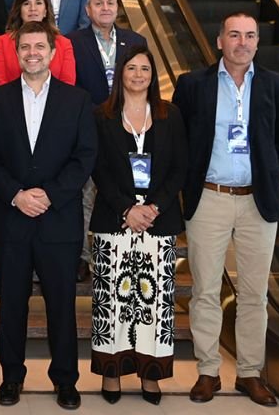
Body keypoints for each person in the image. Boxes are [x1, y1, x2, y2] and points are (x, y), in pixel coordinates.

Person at [172, 11, 279, 407]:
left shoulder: (276, 85)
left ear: (257, 42)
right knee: (206, 290)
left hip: (257, 201)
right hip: (209, 197)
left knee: (255, 294)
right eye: (235, 35)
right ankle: (208, 371)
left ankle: (249, 373)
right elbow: (178, 137)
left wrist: (265, 171)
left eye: (250, 36)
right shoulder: (193, 85)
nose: (242, 43)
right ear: (219, 41)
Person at [0, 20, 97, 410]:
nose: (32, 53)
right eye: (25, 47)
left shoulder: (77, 100)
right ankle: (11, 378)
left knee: (61, 307)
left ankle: (65, 380)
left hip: (58, 221)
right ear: (17, 53)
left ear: (52, 52)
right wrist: (16, 195)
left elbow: (84, 158)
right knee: (11, 306)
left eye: (39, 47)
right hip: (11, 219)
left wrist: (49, 195)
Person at [90, 45, 187, 406]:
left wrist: (154, 207)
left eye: (145, 69)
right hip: (115, 220)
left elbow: (180, 166)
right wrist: (127, 209)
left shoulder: (170, 114)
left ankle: (151, 373)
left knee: (154, 301)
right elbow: (98, 168)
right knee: (111, 302)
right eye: (131, 68)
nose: (138, 75)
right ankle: (111, 372)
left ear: (153, 75)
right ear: (120, 73)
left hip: (158, 221)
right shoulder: (102, 115)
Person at [69, 0, 148, 282]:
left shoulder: (136, 40)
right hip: (87, 129)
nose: (105, 8)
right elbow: (71, 87)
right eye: (98, 3)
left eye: (110, 3)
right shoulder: (72, 42)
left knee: (125, 191)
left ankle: (123, 253)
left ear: (117, 7)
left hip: (127, 130)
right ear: (87, 9)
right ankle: (82, 256)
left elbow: (144, 83)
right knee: (85, 195)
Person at [0, 0, 76, 87]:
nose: (33, 8)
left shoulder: (64, 43)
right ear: (19, 11)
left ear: (45, 11)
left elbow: (68, 85)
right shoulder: (2, 43)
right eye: (26, 4)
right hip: (10, 97)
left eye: (38, 3)